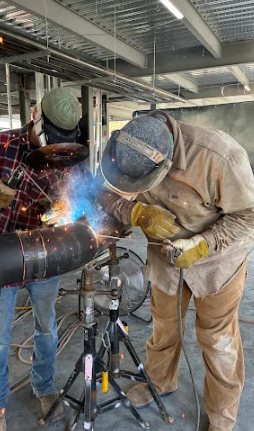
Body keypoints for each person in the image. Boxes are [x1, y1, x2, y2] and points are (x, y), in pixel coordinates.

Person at [96, 111, 254, 431]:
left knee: (218, 341)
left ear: (164, 163)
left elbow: (248, 216)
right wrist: (135, 210)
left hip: (217, 261)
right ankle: (160, 382)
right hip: (164, 257)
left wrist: (202, 244)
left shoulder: (220, 157)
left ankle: (223, 417)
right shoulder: (127, 148)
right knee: (165, 328)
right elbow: (104, 192)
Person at [0, 88, 82, 431]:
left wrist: (66, 209)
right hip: (4, 258)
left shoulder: (67, 153)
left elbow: (76, 198)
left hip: (46, 257)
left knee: (46, 330)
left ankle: (44, 387)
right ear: (36, 117)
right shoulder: (0, 145)